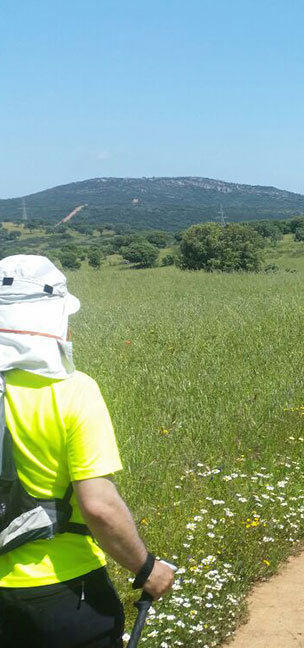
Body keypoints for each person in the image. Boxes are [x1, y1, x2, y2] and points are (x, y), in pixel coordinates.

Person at [0, 255, 175, 648]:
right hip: (63, 593)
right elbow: (98, 506)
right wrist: (146, 568)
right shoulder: (73, 391)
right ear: (55, 320)